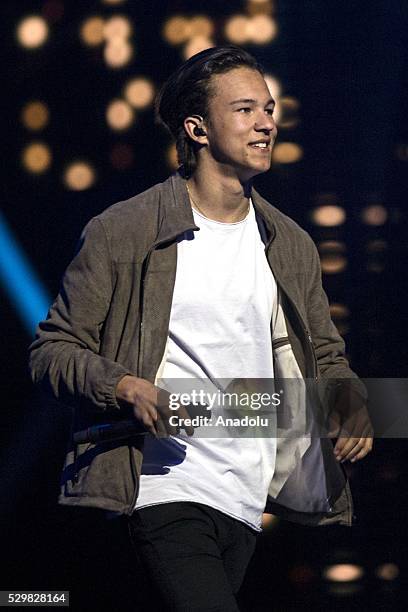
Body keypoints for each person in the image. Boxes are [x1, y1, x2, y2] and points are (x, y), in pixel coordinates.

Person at [29, 46, 373, 611]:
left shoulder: (288, 244)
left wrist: (348, 398)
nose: (266, 122)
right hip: (160, 486)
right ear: (198, 128)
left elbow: (327, 356)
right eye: (244, 110)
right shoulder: (124, 231)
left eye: (268, 108)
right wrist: (125, 387)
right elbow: (52, 351)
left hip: (247, 495)